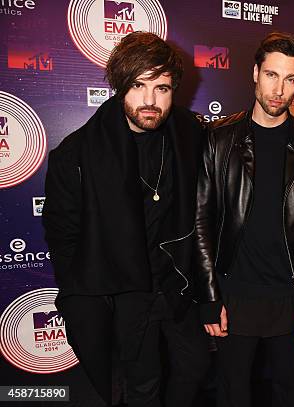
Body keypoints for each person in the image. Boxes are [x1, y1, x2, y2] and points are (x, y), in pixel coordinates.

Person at [43, 32, 210, 406]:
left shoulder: (188, 135)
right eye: (139, 86)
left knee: (195, 365)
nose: (150, 101)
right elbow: (62, 234)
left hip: (176, 283)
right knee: (142, 385)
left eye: (162, 88)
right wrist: (83, 298)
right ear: (120, 86)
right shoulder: (78, 153)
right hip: (125, 292)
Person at [194, 31, 294, 407]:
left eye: (290, 79)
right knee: (232, 391)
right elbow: (201, 222)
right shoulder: (219, 139)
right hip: (234, 294)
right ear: (255, 72)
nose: (279, 89)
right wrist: (209, 296)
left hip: (289, 295)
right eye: (272, 75)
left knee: (289, 391)